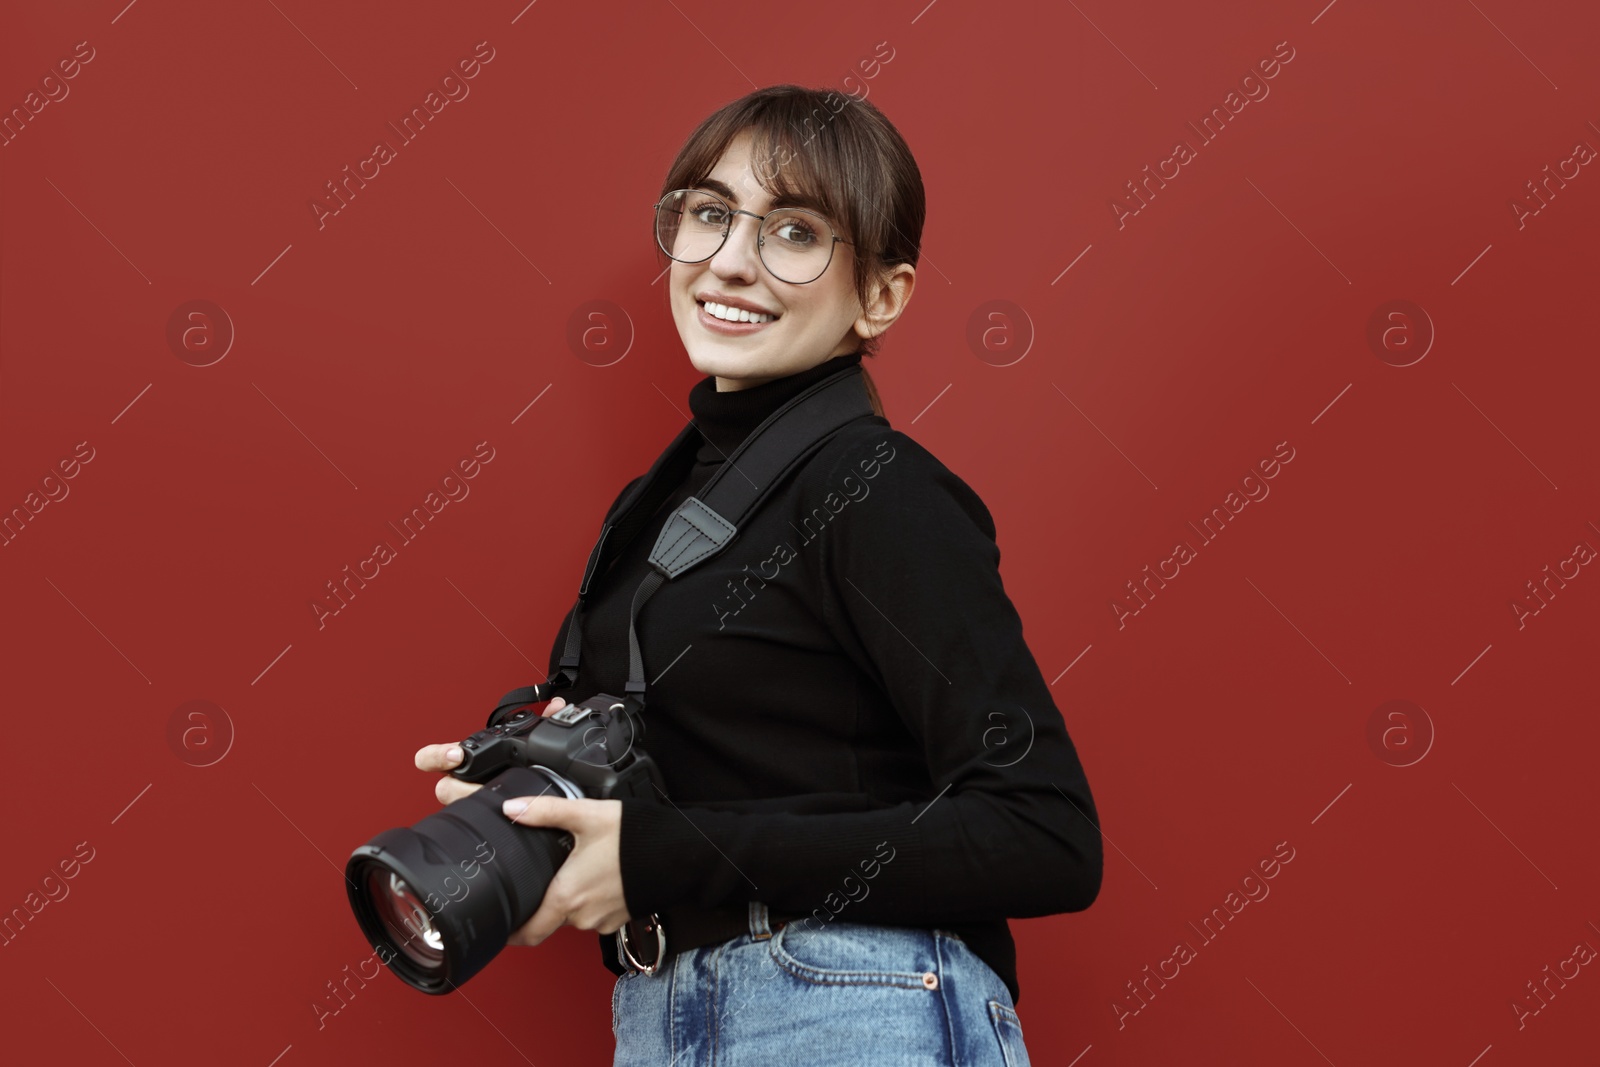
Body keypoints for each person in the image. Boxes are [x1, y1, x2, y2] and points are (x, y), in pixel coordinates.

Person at [414, 84, 1102, 1066]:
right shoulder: (656, 503)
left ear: (882, 295)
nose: (729, 259)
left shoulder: (874, 488)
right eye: (708, 213)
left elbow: (1045, 832)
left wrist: (658, 853)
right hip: (672, 1014)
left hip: (851, 1007)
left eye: (793, 231)